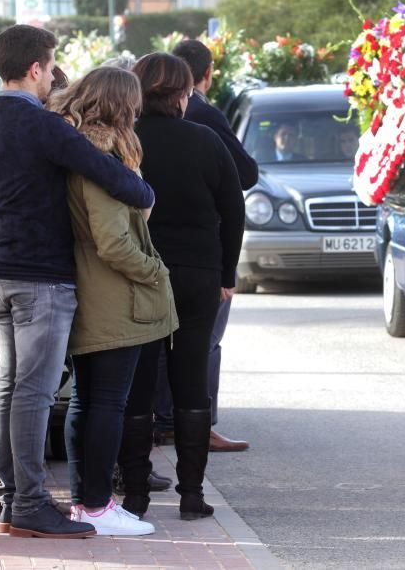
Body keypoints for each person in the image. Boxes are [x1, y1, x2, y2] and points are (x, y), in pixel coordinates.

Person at [0, 24, 155, 539]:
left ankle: (14, 497)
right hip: (41, 274)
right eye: (51, 67)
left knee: (10, 388)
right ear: (35, 69)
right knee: (32, 392)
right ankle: (30, 502)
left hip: (2, 266)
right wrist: (144, 193)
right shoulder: (40, 123)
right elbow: (105, 170)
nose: (54, 76)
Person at [49, 66, 177, 536]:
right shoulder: (100, 157)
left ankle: (89, 505)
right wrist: (156, 271)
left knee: (88, 402)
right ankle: (98, 506)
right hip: (111, 293)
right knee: (104, 404)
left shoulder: (79, 150)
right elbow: (114, 243)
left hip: (94, 289)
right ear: (120, 105)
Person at [132, 52, 245, 520]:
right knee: (190, 380)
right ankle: (192, 494)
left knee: (137, 382)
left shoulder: (127, 143)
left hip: (139, 272)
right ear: (183, 93)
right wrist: (226, 275)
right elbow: (234, 209)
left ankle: (135, 494)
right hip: (198, 274)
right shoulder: (204, 140)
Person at [165, 39, 258, 453]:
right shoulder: (203, 117)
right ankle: (199, 427)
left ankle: (165, 422)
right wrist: (226, 272)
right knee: (205, 343)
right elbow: (245, 177)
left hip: (151, 256)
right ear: (204, 75)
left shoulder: (137, 124)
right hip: (202, 255)